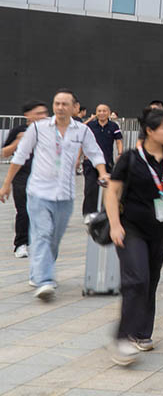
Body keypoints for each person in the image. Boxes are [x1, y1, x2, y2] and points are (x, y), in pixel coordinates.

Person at [105, 107, 163, 365]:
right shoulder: (131, 159)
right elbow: (112, 193)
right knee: (136, 279)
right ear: (150, 131)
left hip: (160, 229)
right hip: (131, 228)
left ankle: (141, 332)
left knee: (150, 281)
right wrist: (114, 224)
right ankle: (122, 339)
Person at [0, 90, 107, 301]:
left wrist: (103, 173)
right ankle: (45, 281)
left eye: (65, 104)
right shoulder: (38, 129)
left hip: (65, 195)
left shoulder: (82, 131)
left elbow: (95, 153)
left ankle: (38, 271)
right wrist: (6, 185)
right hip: (39, 192)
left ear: (74, 107)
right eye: (57, 103)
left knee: (54, 239)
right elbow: (20, 156)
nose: (60, 107)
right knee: (42, 234)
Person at [1, 101, 48, 258]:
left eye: (44, 113)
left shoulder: (49, 131)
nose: (43, 116)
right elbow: (5, 153)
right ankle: (21, 244)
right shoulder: (19, 130)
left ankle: (39, 241)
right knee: (23, 210)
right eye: (38, 113)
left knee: (43, 211)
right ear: (27, 115)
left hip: (43, 176)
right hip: (22, 176)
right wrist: (17, 142)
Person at [83, 104, 123, 217]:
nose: (102, 113)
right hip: (90, 162)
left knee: (108, 188)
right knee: (90, 188)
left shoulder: (113, 126)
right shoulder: (90, 126)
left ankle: (106, 211)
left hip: (107, 161)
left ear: (109, 113)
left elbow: (119, 140)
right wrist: (80, 156)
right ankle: (88, 213)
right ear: (96, 113)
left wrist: (120, 153)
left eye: (104, 111)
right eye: (99, 111)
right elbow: (83, 142)